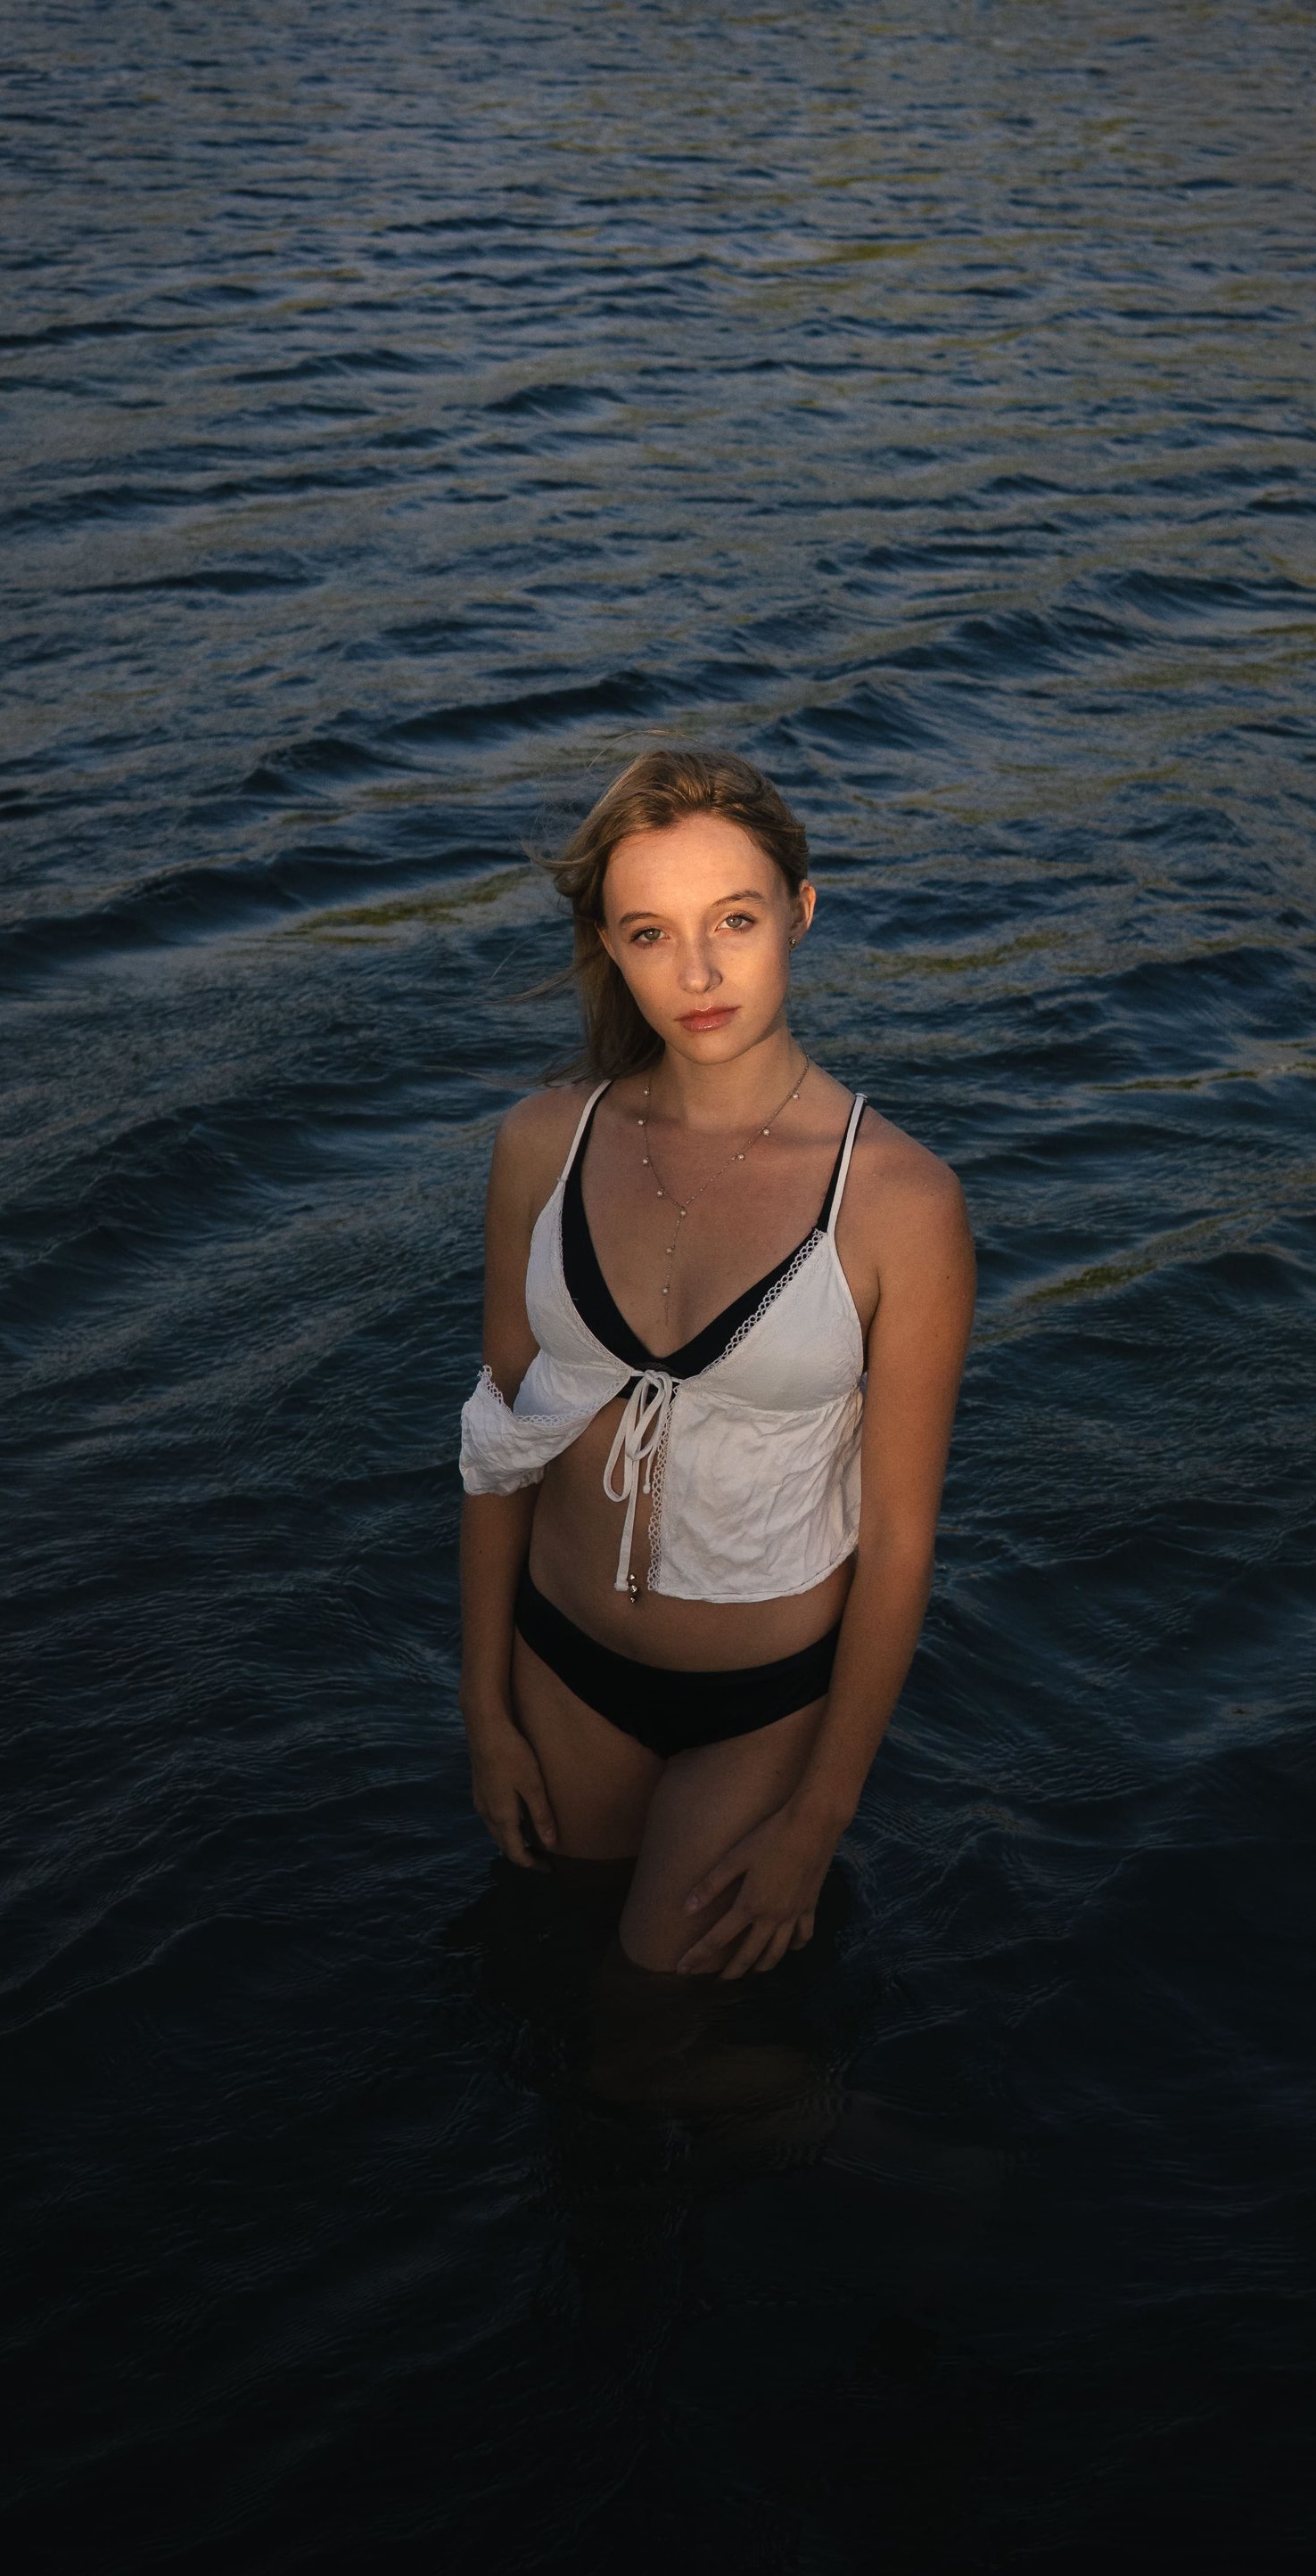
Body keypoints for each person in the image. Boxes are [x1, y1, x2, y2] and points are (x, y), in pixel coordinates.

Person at [457, 748, 973, 1987]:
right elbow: (497, 1443)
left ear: (801, 908)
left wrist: (818, 1817)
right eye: (650, 932)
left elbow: (899, 1539)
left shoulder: (899, 1200)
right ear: (610, 943)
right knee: (558, 1985)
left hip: (764, 1703)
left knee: (657, 2030)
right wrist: (484, 1711)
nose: (696, 973)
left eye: (734, 920)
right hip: (560, 1665)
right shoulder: (543, 1143)